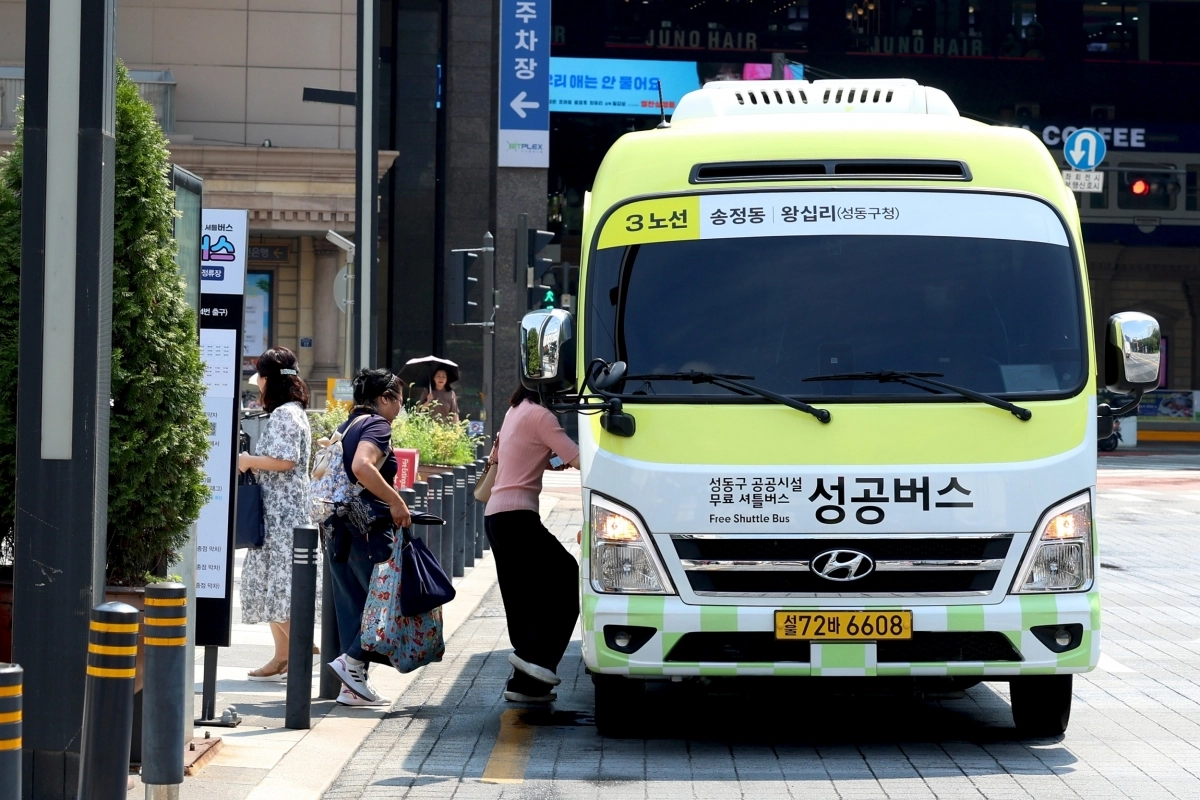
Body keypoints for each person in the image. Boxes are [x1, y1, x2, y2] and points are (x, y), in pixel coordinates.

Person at [485, 384, 581, 703]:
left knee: (523, 597)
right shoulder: (541, 416)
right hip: (517, 517)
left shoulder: (515, 412)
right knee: (567, 574)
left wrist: (546, 457)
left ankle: (525, 685)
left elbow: (497, 455)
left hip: (496, 516)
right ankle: (533, 656)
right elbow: (581, 458)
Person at [325, 368, 412, 707]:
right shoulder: (377, 425)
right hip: (368, 529)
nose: (399, 409)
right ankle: (352, 663)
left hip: (338, 527)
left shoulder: (347, 425)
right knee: (388, 602)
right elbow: (363, 466)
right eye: (399, 402)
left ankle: (353, 686)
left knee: (353, 606)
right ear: (384, 398)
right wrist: (396, 500)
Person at [238, 348, 312, 680]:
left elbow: (285, 461)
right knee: (272, 584)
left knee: (277, 586)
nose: (259, 387)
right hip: (284, 511)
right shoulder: (294, 411)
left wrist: (249, 460)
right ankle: (283, 656)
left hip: (282, 515)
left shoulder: (284, 414)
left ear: (268, 380)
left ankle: (299, 647)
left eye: (261, 379)